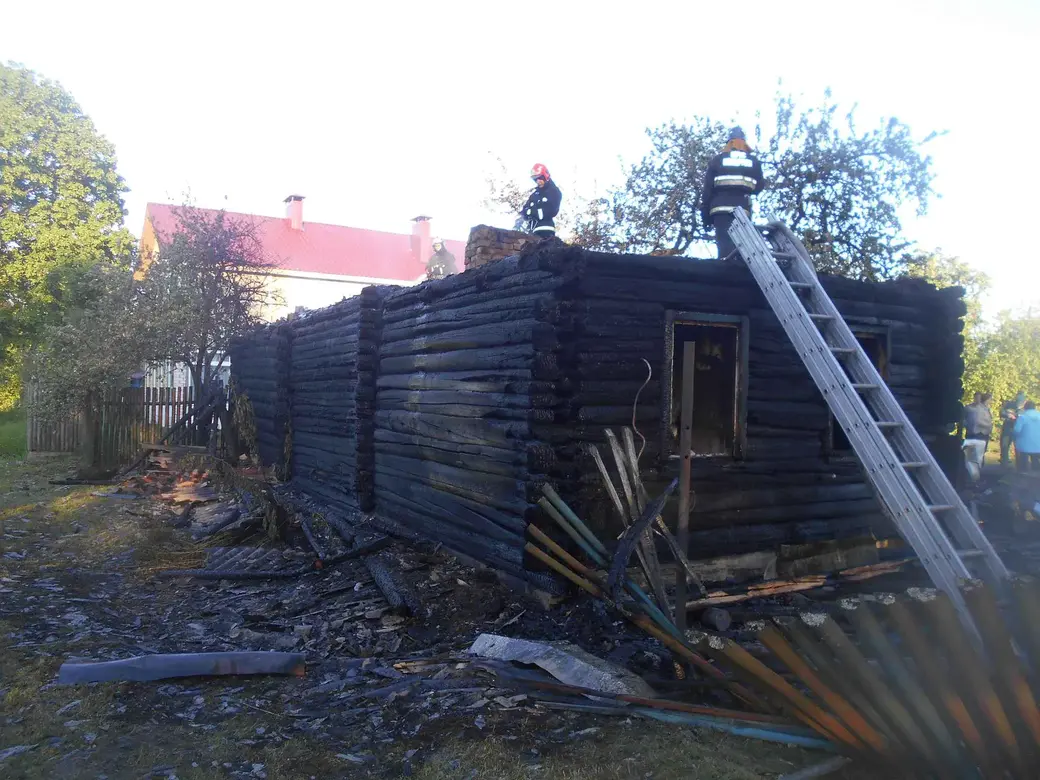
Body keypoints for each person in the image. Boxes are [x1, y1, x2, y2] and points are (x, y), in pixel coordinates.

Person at [699, 126, 766, 259]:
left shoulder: (717, 160)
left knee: (724, 246)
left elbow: (707, 190)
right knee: (742, 246)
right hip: (742, 209)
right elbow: (759, 186)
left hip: (720, 209)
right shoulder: (753, 162)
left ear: (729, 143)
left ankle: (724, 272)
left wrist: (705, 217)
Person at [521, 163, 562, 238]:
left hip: (547, 232)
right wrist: (528, 212)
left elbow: (551, 210)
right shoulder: (534, 195)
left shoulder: (553, 191)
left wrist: (533, 212)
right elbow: (524, 211)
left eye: (539, 178)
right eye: (535, 179)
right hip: (533, 231)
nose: (538, 181)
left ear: (545, 176)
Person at [962, 392, 993, 482]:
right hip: (972, 433)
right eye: (976, 398)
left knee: (980, 455)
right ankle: (969, 475)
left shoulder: (986, 409)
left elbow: (989, 420)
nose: (977, 400)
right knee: (969, 454)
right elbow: (963, 418)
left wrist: (988, 428)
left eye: (979, 398)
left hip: (983, 434)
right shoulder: (968, 408)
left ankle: (978, 475)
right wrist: (966, 425)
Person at [1000, 391, 1027, 466]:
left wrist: (1016, 416)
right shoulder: (1009, 404)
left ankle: (1019, 465)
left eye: (1021, 400)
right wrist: (1008, 415)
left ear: (1024, 401)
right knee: (1004, 446)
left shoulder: (1026, 409)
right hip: (1007, 428)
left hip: (1018, 430)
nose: (1018, 402)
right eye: (1017, 399)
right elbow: (1002, 412)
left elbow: (1025, 418)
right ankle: (1004, 463)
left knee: (1018, 448)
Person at [1013, 400, 1040, 472]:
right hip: (1038, 445)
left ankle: (1023, 474)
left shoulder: (1023, 417)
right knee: (1036, 462)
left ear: (1025, 408)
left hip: (1024, 445)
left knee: (1023, 463)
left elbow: (1016, 430)